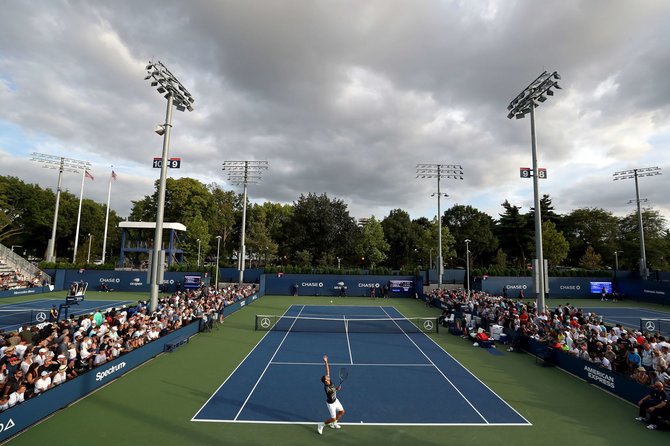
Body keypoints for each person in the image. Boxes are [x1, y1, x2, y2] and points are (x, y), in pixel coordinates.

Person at [317, 354, 344, 435]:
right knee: (332, 418)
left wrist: (326, 362)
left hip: (336, 400)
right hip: (331, 404)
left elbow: (327, 370)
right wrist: (337, 389)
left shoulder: (329, 380)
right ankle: (321, 425)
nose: (328, 376)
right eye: (327, 377)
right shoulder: (326, 387)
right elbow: (331, 392)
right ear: (326, 381)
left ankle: (334, 423)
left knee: (342, 412)